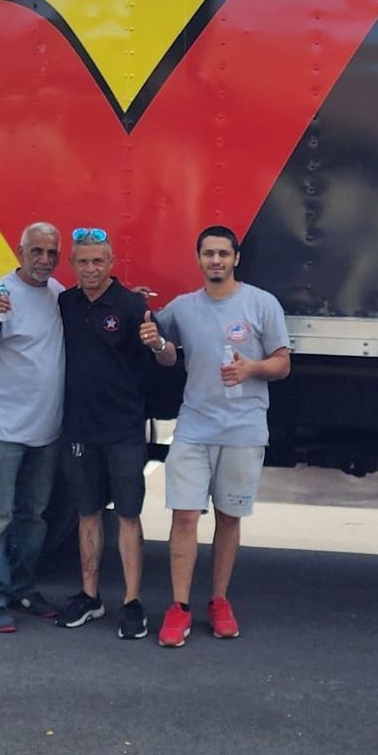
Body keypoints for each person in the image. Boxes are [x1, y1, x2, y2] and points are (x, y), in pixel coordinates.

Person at [141, 225, 291, 647]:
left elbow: (283, 364)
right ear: (199, 258)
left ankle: (219, 601)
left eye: (224, 253)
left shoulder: (262, 304)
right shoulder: (184, 308)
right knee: (184, 516)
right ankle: (179, 607)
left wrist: (251, 369)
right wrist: (154, 340)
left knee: (228, 518)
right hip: (194, 426)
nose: (216, 261)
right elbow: (167, 353)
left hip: (244, 430)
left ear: (236, 258)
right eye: (208, 254)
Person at [0, 222, 65, 632]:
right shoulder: (0, 295)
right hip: (3, 429)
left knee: (34, 517)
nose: (44, 260)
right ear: (20, 252)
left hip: (46, 431)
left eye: (52, 253)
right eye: (36, 251)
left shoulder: (57, 296)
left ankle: (22, 587)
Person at [53, 227, 155, 640]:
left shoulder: (132, 306)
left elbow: (162, 356)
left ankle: (132, 601)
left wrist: (159, 343)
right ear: (73, 265)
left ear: (111, 264)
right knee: (87, 512)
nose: (90, 269)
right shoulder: (65, 303)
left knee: (128, 516)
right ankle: (90, 597)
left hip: (124, 430)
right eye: (82, 261)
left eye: (98, 261)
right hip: (79, 428)